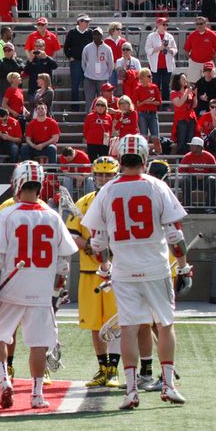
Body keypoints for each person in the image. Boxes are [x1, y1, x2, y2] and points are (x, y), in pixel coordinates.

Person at [80, 135, 191, 409]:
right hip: (155, 266)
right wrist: (185, 265)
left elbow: (97, 242)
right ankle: (167, 384)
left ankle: (131, 391)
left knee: (128, 329)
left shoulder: (107, 191)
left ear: (119, 159)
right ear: (144, 157)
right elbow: (175, 236)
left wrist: (105, 266)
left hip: (124, 270)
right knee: (165, 325)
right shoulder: (157, 186)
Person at [0, 161, 77, 410]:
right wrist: (55, 292)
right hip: (41, 291)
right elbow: (64, 264)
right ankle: (36, 394)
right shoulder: (53, 216)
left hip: (12, 289)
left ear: (17, 183)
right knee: (38, 344)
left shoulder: (8, 214)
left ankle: (3, 381)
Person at [67, 156, 124, 388]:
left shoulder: (122, 201)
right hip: (90, 270)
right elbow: (72, 234)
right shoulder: (83, 202)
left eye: (108, 174)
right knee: (94, 324)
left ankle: (114, 369)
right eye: (100, 174)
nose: (103, 178)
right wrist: (89, 246)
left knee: (116, 323)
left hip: (118, 272)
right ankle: (102, 368)